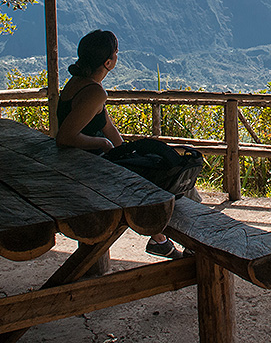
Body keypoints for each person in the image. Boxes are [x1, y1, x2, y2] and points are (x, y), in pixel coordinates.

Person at [55, 29, 187, 260]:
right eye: (116, 53)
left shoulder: (78, 83)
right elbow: (65, 136)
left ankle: (161, 240)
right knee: (168, 183)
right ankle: (174, 238)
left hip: (78, 164)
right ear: (108, 62)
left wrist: (128, 151)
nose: (118, 56)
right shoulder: (94, 92)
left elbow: (107, 126)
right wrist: (104, 144)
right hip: (86, 169)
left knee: (149, 172)